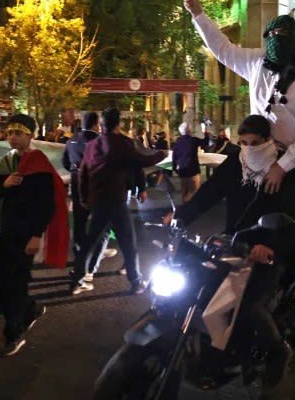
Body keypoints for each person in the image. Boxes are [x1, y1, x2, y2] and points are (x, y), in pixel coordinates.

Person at [184, 0, 295, 340]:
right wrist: (198, 14)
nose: (276, 43)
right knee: (233, 203)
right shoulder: (257, 62)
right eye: (272, 37)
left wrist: (285, 164)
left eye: (283, 38)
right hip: (255, 148)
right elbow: (222, 49)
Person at [168, 115, 295, 388]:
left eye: (255, 142)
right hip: (234, 245)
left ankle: (278, 353)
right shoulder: (235, 163)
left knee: (251, 306)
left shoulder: (285, 169)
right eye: (243, 142)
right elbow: (210, 192)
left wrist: (271, 245)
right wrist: (180, 216)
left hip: (268, 252)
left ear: (269, 140)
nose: (249, 148)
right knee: (198, 287)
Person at [0, 114, 66, 356]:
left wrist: (37, 235)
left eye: (18, 133)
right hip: (8, 230)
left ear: (30, 135)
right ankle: (30, 309)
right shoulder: (8, 161)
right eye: (9, 133)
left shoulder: (38, 164)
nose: (12, 137)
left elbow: (47, 204)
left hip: (25, 235)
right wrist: (5, 184)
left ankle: (14, 333)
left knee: (14, 285)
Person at [74, 108, 167, 295]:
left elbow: (83, 172)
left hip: (97, 200)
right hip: (116, 200)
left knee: (90, 241)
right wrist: (161, 155)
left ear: (101, 124)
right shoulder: (123, 143)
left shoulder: (92, 145)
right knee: (128, 243)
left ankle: (77, 280)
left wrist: (84, 197)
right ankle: (135, 281)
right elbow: (139, 161)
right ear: (118, 124)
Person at [62, 112, 100, 284]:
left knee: (79, 223)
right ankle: (88, 265)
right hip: (94, 187)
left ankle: (78, 257)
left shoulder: (71, 141)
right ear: (95, 125)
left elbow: (65, 162)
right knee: (96, 227)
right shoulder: (99, 142)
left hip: (76, 186)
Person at [171, 121, 203, 202]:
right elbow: (205, 142)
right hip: (192, 169)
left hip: (182, 170)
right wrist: (204, 131)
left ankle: (184, 207)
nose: (190, 130)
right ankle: (188, 208)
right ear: (187, 130)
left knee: (184, 191)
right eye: (189, 128)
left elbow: (174, 157)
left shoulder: (177, 142)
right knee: (194, 190)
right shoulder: (193, 140)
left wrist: (175, 169)